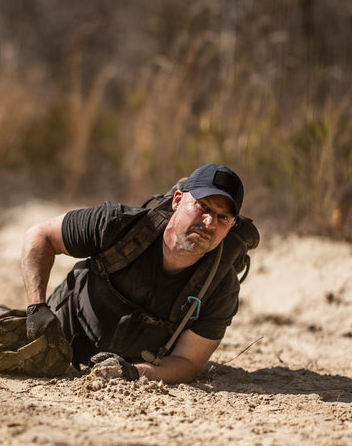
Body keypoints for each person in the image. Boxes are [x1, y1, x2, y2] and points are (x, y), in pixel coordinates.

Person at [21, 163, 254, 384]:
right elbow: (41, 235)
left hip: (132, 364)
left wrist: (133, 371)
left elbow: (189, 362)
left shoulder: (221, 287)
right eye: (203, 206)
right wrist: (37, 308)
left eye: (223, 217)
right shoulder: (116, 224)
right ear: (177, 200)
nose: (210, 222)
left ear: (231, 226)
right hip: (57, 339)